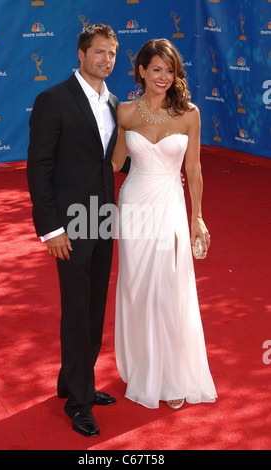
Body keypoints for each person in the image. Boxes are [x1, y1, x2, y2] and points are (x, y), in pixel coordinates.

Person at [111, 39, 217, 410]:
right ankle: (143, 363)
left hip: (170, 205)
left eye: (169, 70)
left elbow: (194, 170)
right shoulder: (124, 112)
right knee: (136, 286)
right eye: (156, 69)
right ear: (141, 70)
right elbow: (114, 163)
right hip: (134, 207)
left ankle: (171, 374)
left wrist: (197, 216)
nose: (163, 77)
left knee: (169, 285)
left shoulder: (189, 113)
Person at [27, 24, 120, 437]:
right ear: (81, 54)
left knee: (95, 306)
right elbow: (39, 169)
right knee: (77, 311)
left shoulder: (114, 102)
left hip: (103, 219)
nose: (106, 60)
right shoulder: (52, 100)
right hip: (70, 225)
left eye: (112, 54)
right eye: (99, 52)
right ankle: (80, 403)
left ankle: (74, 381)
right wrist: (51, 229)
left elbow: (111, 162)